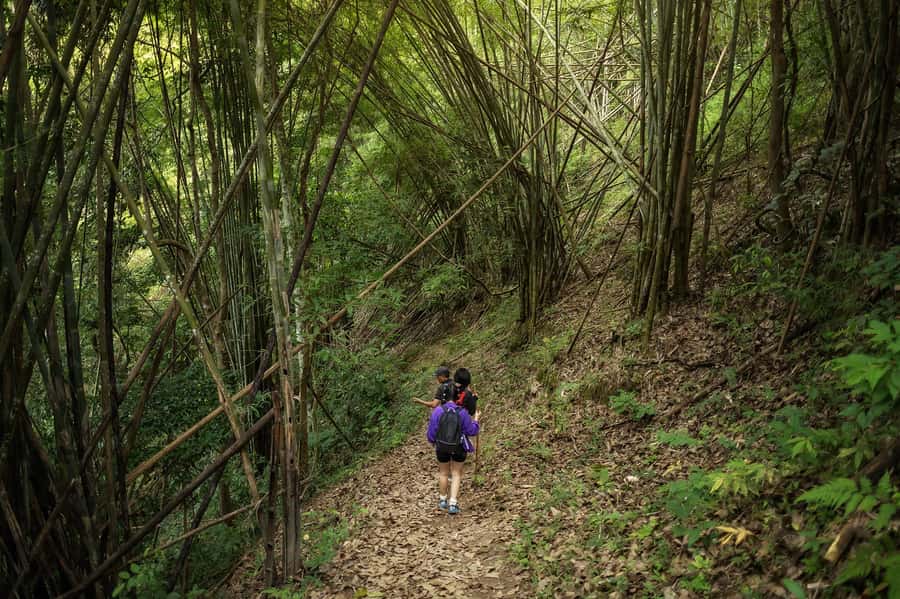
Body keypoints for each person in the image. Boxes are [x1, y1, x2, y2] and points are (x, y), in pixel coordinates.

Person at [426, 398, 480, 515]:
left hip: (442, 447)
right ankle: (453, 504)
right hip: (459, 447)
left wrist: (434, 441)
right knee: (456, 473)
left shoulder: (438, 411)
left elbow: (431, 434)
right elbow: (472, 431)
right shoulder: (463, 412)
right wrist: (476, 419)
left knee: (443, 473)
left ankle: (442, 500)